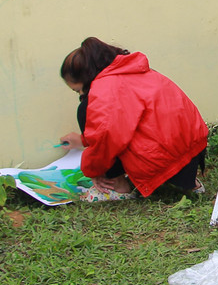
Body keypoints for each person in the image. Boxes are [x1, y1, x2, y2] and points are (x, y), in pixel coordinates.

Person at [59, 37, 209, 198]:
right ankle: (192, 184)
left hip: (161, 161)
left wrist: (93, 170)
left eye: (79, 91)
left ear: (88, 78)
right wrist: (82, 140)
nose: (81, 96)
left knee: (84, 109)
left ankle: (117, 186)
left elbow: (107, 136)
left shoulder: (106, 88)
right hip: (193, 151)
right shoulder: (135, 70)